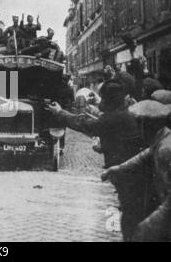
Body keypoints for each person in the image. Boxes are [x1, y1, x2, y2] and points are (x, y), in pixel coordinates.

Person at [47, 80, 149, 242]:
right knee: (131, 212)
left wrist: (60, 112)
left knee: (130, 216)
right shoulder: (123, 113)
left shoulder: (113, 118)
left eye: (103, 99)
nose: (101, 102)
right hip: (129, 171)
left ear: (109, 101)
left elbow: (85, 124)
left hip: (124, 172)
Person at [102, 100, 171, 241]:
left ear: (147, 125)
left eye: (139, 124)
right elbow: (143, 157)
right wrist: (119, 169)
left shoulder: (165, 150)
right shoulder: (161, 140)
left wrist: (149, 226)